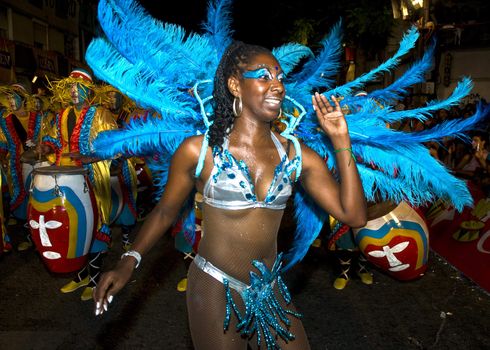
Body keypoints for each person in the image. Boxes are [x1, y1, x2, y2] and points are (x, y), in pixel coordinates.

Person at [94, 41, 367, 349]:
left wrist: (341, 140)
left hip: (268, 288)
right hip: (213, 284)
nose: (277, 84)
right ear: (235, 85)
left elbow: (354, 215)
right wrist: (129, 260)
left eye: (280, 77)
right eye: (264, 75)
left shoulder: (297, 155)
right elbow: (164, 212)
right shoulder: (200, 152)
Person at [37, 69, 118, 301]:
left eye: (77, 88)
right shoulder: (62, 114)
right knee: (74, 224)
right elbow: (54, 139)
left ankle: (94, 280)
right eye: (70, 88)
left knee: (93, 223)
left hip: (92, 176)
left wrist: (90, 157)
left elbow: (115, 146)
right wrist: (47, 147)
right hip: (66, 177)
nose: (73, 92)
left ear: (88, 91)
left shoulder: (101, 114)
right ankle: (82, 273)